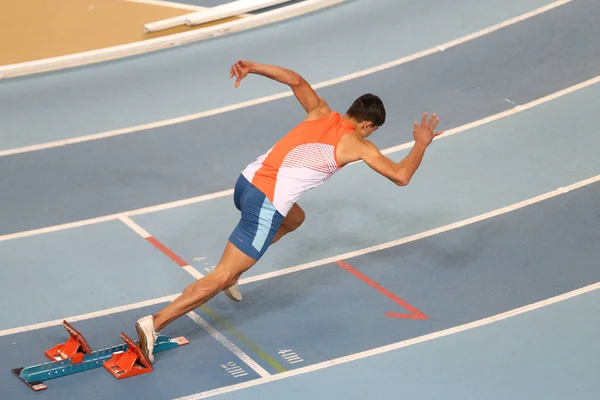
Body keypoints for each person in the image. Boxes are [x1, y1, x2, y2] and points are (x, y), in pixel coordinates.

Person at [135, 60, 444, 362]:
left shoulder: (320, 111)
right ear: (366, 125)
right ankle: (156, 323)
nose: (369, 137)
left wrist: (253, 67)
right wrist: (421, 144)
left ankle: (234, 270)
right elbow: (401, 176)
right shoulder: (357, 144)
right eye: (371, 132)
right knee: (222, 274)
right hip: (265, 203)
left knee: (295, 218)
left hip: (246, 183)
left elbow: (294, 79)